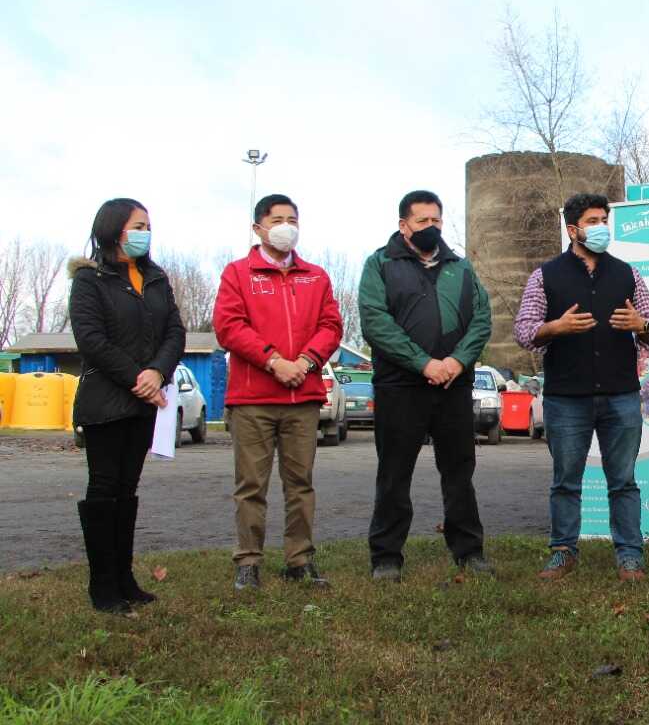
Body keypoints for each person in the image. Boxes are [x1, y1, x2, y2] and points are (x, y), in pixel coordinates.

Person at [514, 193, 649, 582]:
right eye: (593, 220)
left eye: (604, 219)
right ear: (573, 229)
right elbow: (524, 331)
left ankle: (630, 556)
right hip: (567, 399)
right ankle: (563, 552)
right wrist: (555, 328)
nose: (601, 227)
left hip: (621, 395)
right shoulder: (544, 276)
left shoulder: (628, 274)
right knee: (566, 481)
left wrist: (641, 326)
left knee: (624, 481)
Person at [359, 190, 493, 581]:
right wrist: (423, 363)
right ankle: (386, 556)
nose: (431, 228)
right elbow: (375, 321)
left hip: (453, 385)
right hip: (400, 387)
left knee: (459, 473)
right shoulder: (380, 264)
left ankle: (469, 551)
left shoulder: (462, 268)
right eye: (422, 221)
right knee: (394, 473)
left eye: (436, 220)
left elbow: (481, 319)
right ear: (404, 225)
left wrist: (456, 361)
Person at [213, 194, 343, 591]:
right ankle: (248, 561)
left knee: (300, 484)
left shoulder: (316, 276)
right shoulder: (237, 274)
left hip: (301, 400)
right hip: (253, 401)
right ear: (259, 228)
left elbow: (331, 325)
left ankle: (299, 560)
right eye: (278, 219)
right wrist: (274, 362)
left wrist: (304, 362)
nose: (286, 226)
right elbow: (229, 327)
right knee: (251, 486)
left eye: (293, 219)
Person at [69, 198, 185, 613]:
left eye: (149, 225)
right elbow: (91, 340)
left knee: (127, 490)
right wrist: (139, 378)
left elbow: (174, 331)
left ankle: (124, 578)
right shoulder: (89, 280)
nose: (146, 232)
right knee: (104, 489)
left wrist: (158, 371)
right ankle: (102, 587)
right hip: (105, 402)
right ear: (115, 229)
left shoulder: (155, 278)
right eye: (139, 225)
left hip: (145, 404)